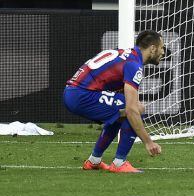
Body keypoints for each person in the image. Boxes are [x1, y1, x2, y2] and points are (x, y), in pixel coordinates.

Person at [63, 31, 166, 172]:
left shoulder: (126, 55)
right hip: (81, 95)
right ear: (153, 48)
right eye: (162, 47)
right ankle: (119, 163)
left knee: (120, 113)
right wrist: (148, 142)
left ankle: (94, 161)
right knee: (135, 109)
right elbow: (131, 109)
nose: (163, 52)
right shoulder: (134, 65)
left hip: (73, 92)